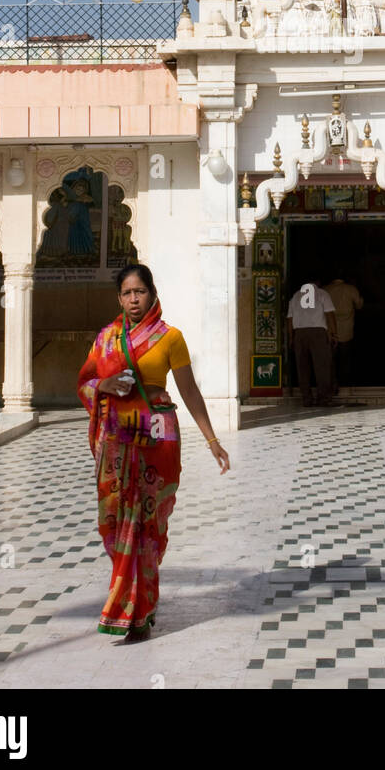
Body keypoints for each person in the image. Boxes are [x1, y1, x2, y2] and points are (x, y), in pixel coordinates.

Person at [78, 262, 229, 641]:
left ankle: (137, 612)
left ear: (152, 293)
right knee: (117, 523)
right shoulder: (106, 338)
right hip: (116, 444)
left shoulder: (170, 338)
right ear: (118, 297)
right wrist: (105, 385)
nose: (133, 300)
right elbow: (85, 382)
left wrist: (212, 440)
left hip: (156, 441)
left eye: (139, 292)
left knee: (148, 526)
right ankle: (134, 601)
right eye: (127, 293)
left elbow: (189, 391)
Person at [286, 279, 336, 407]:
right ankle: (323, 398)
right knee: (322, 366)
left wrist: (292, 337)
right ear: (317, 283)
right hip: (318, 333)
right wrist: (333, 333)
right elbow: (329, 314)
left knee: (302, 367)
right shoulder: (322, 293)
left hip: (300, 333)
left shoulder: (296, 296)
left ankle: (307, 399)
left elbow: (290, 319)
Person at [323, 276, 363, 392]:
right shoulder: (351, 289)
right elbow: (359, 305)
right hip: (346, 330)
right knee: (345, 358)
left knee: (331, 359)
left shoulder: (325, 290)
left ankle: (332, 383)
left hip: (330, 331)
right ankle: (345, 384)